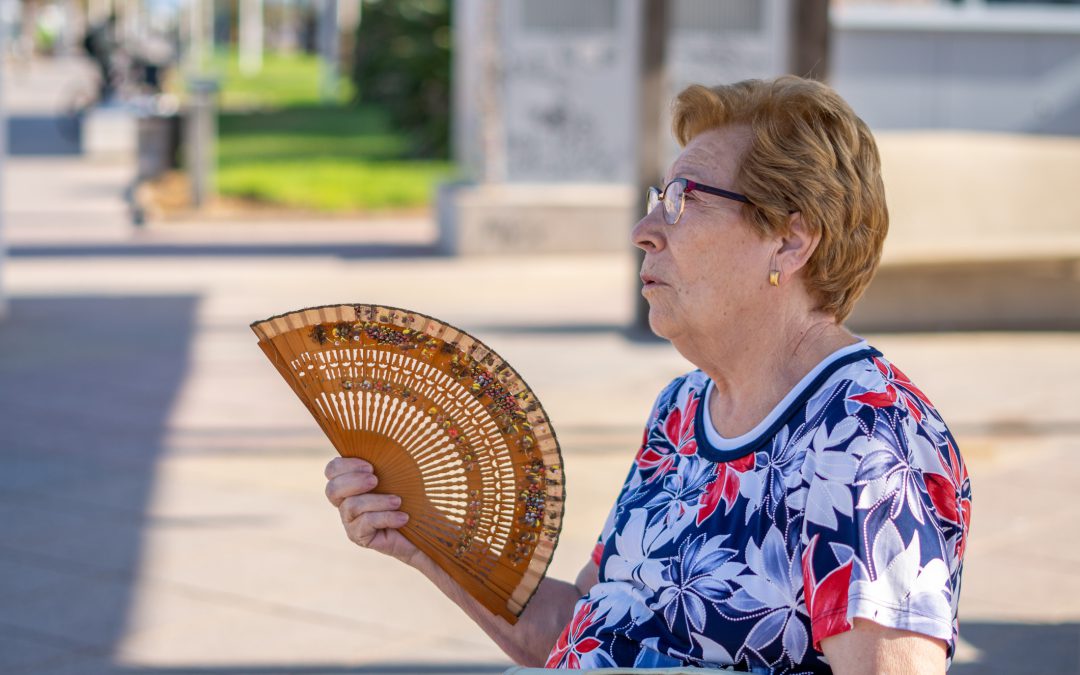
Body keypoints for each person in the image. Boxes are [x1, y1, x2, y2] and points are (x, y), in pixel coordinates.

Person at [324, 76, 972, 674]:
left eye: (683, 200)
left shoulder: (865, 439)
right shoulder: (685, 409)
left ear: (789, 239)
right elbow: (582, 624)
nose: (644, 230)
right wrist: (427, 535)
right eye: (657, 200)